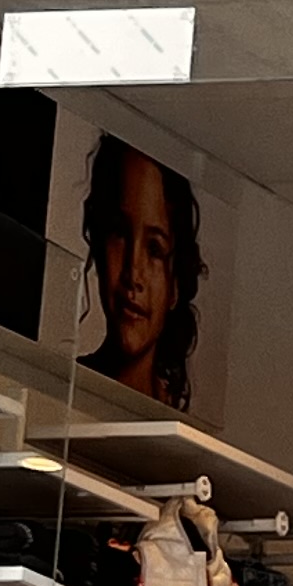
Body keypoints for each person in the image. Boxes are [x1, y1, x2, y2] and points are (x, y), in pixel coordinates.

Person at [85, 134, 205, 409]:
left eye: (154, 249)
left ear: (175, 284)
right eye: (119, 233)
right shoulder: (58, 388)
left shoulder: (173, 424)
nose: (133, 272)